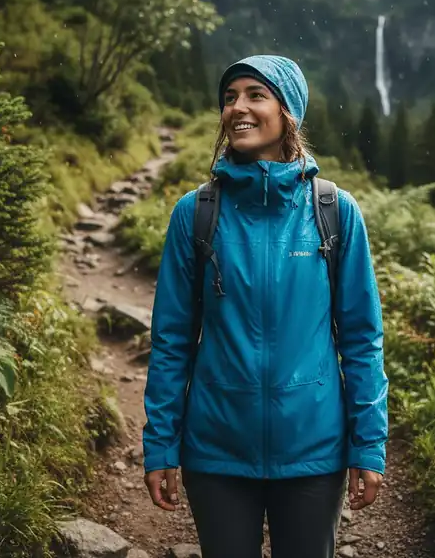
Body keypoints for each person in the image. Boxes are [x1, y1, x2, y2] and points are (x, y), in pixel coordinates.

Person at [142, 55, 389, 558]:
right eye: (230, 98)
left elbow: (362, 338)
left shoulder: (334, 212)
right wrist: (162, 445)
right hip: (217, 452)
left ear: (288, 111)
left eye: (256, 95)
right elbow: (171, 340)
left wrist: (368, 445)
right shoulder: (196, 214)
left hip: (314, 451)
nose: (239, 107)